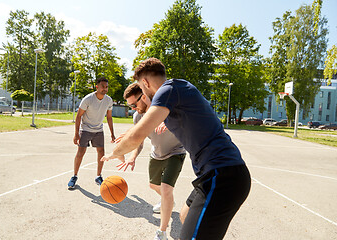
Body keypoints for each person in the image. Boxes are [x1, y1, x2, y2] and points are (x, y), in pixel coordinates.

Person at [102, 58, 251, 240]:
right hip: (212, 175)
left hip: (223, 176)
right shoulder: (176, 91)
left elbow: (136, 137)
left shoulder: (168, 90)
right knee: (184, 215)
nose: (142, 95)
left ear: (146, 83)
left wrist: (112, 154)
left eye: (141, 89)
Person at [118, 83, 185, 240]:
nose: (133, 108)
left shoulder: (164, 109)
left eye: (134, 104)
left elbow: (183, 122)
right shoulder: (138, 117)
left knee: (167, 189)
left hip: (176, 152)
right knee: (153, 185)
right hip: (156, 154)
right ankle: (167, 201)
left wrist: (168, 124)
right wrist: (132, 157)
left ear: (143, 97)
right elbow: (139, 142)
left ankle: (162, 232)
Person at [68, 77, 115, 189]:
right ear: (97, 87)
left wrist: (112, 133)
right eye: (103, 86)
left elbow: (109, 117)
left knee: (101, 152)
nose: (105, 88)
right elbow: (79, 116)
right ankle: (74, 176)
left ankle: (98, 176)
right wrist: (76, 134)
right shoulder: (88, 99)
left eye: (107, 86)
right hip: (86, 129)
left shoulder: (108, 100)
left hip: (98, 130)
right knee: (81, 152)